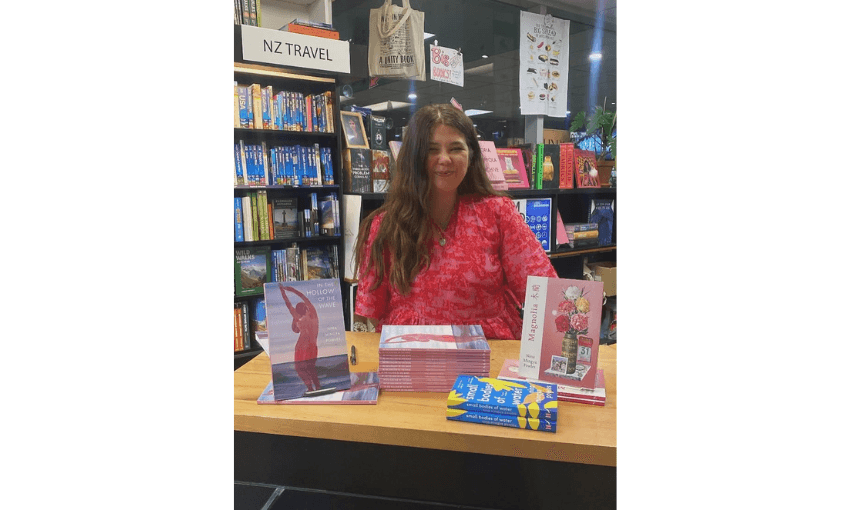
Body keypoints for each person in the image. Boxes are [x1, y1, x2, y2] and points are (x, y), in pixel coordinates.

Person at [353, 104, 557, 340]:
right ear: (413, 158)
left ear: (471, 155)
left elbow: (544, 293)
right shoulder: (385, 226)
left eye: (455, 148)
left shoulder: (498, 213)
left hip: (490, 356)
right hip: (415, 356)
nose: (444, 159)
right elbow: (371, 314)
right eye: (431, 149)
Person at [278, 284, 321, 392]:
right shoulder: (314, 316)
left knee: (300, 369)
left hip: (302, 348)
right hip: (312, 346)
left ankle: (311, 388)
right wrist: (293, 290)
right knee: (311, 368)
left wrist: (283, 292)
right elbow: (305, 298)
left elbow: (288, 304)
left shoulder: (298, 318)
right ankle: (317, 387)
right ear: (306, 308)